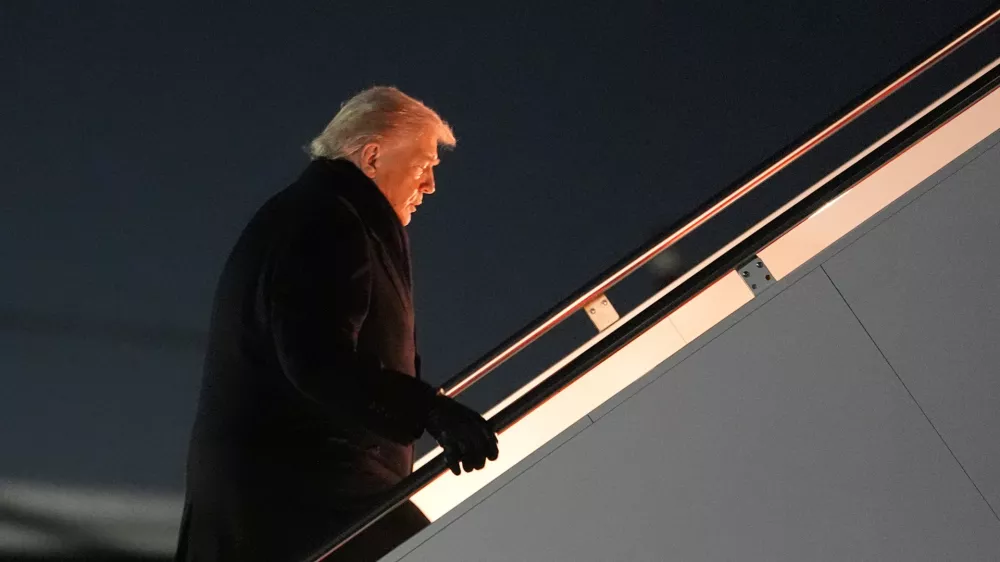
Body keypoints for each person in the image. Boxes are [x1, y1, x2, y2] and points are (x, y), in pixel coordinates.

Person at [175, 86, 499, 561]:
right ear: (372, 156)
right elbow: (316, 360)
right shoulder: (326, 221)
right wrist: (430, 409)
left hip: (289, 489)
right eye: (423, 164)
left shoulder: (319, 212)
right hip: (304, 489)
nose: (430, 184)